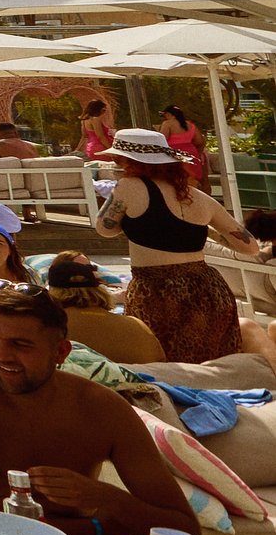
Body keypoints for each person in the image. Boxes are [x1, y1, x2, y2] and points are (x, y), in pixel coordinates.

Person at [0, 284, 199, 535]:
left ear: (60, 352)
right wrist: (96, 528)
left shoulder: (103, 410)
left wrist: (111, 499)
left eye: (20, 344)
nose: (0, 355)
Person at [94, 127, 275, 363]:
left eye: (118, 159)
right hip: (208, 291)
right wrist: (204, 229)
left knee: (162, 360)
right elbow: (250, 247)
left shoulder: (129, 186)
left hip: (157, 292)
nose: (117, 165)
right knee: (209, 360)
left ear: (132, 162)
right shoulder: (199, 198)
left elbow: (105, 229)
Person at [44, 253, 164, 365]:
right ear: (99, 290)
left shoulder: (48, 329)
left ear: (51, 293)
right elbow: (161, 362)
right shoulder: (137, 326)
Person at [158, 106, 210, 183]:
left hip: (174, 154)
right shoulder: (191, 125)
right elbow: (200, 141)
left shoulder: (167, 124)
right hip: (191, 153)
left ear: (169, 114)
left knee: (176, 179)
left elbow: (162, 140)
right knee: (192, 179)